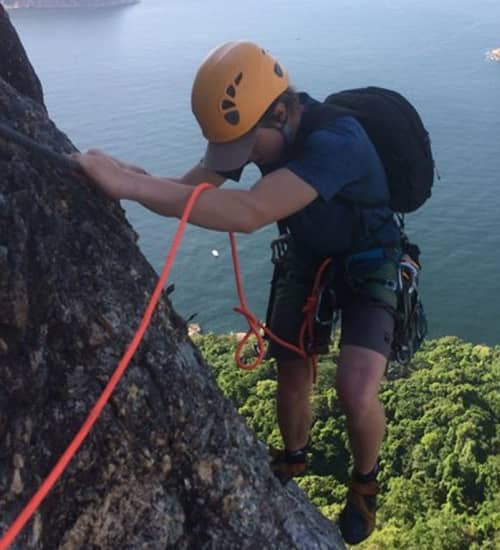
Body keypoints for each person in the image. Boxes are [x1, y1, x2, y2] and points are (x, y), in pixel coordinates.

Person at [73, 40, 403, 545]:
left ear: (281, 112)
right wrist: (127, 175)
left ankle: (364, 484)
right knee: (291, 370)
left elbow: (249, 212)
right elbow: (192, 190)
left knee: (355, 392)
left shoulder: (339, 139)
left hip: (369, 257)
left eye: (247, 146)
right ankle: (294, 456)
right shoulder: (262, 129)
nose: (242, 159)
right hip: (308, 253)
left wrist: (132, 188)